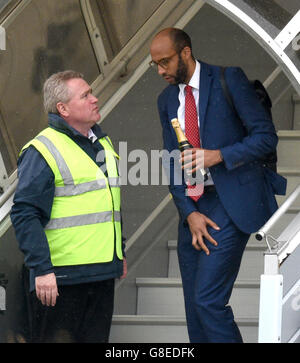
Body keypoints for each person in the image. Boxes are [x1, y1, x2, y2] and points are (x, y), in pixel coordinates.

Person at [150, 28, 286, 343]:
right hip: (193, 208)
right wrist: (187, 212)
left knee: (208, 300)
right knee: (195, 310)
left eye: (165, 62)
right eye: (155, 64)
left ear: (186, 52)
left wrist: (219, 156)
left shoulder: (229, 79)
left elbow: (266, 138)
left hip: (231, 199)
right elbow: (172, 161)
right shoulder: (166, 100)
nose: (160, 71)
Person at [11, 70, 127, 343]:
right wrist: (42, 270)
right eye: (85, 95)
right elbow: (24, 213)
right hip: (60, 280)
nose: (95, 99)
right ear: (62, 108)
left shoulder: (102, 143)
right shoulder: (43, 149)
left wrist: (118, 251)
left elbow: (108, 203)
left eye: (92, 93)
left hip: (101, 273)